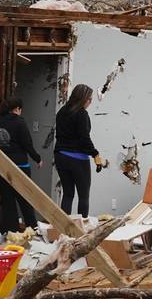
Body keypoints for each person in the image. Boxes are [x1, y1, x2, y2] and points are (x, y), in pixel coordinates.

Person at [0, 97, 42, 233]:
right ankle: (32, 229)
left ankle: (12, 232)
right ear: (17, 109)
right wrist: (37, 158)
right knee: (25, 200)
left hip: (0, 167)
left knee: (7, 201)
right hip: (20, 167)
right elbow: (27, 144)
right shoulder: (19, 122)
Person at [54, 84, 103, 218]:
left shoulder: (62, 112)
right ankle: (81, 230)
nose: (90, 102)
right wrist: (95, 154)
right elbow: (84, 139)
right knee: (83, 196)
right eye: (89, 99)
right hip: (78, 159)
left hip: (60, 156)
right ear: (82, 99)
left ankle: (64, 228)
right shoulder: (81, 114)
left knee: (68, 194)